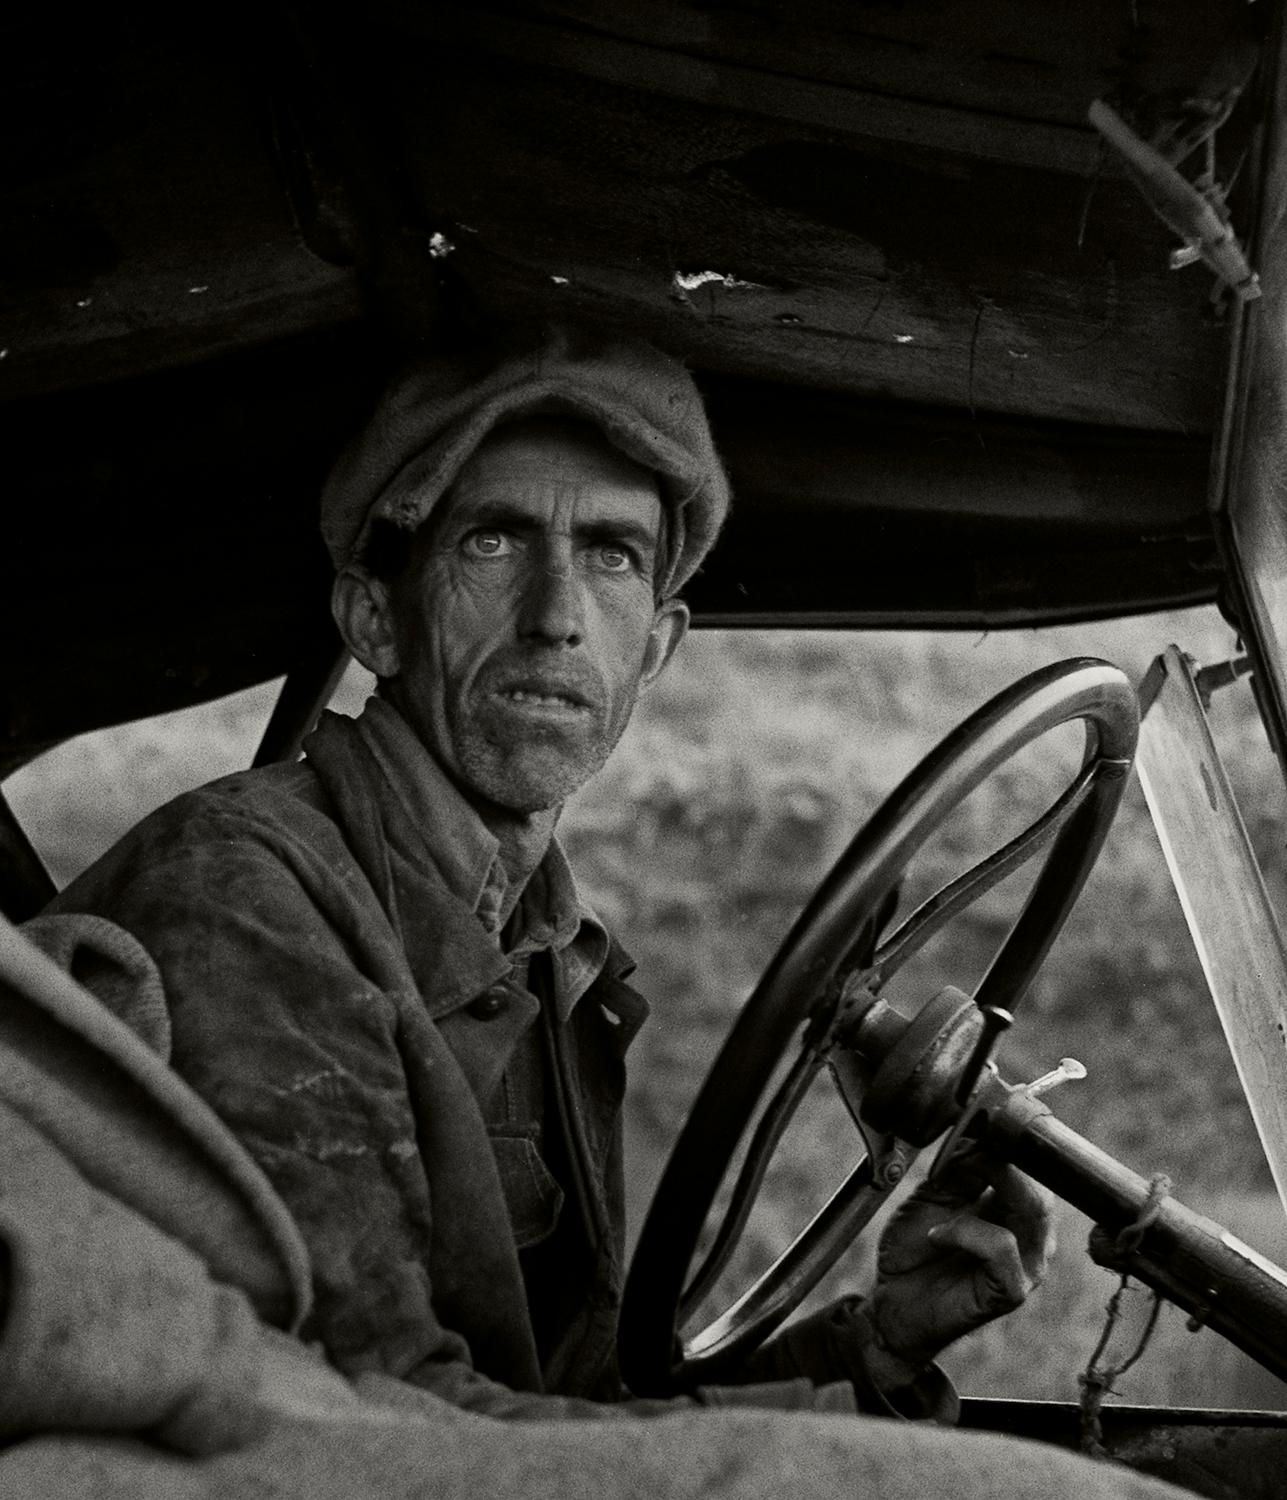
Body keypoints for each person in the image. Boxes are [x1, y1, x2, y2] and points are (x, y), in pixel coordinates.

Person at [46, 325, 1052, 1422]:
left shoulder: (550, 949)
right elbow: (378, 1427)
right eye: (493, 544)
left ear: (654, 647)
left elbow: (565, 1403)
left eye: (611, 557)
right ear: (376, 619)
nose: (557, 618)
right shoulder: (240, 901)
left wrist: (874, 1353)